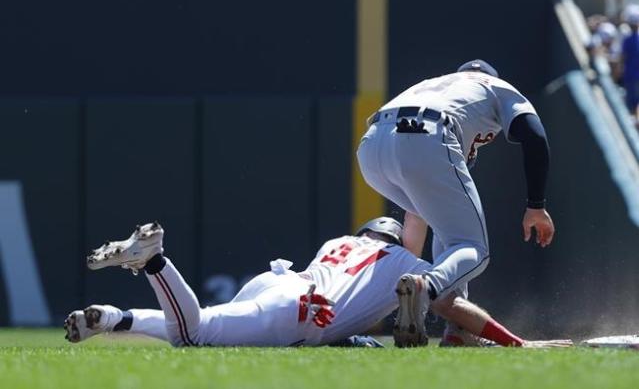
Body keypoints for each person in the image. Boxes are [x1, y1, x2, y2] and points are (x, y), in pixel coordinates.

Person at [64, 218, 569, 348]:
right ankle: (153, 262)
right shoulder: (399, 261)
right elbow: (454, 309)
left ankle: (112, 318)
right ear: (394, 239)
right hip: (299, 310)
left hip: (277, 284)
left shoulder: (338, 241)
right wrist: (511, 340)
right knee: (194, 334)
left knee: (198, 328)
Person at [357, 59, 555, 346]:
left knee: (450, 235)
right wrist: (536, 205)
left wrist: (405, 268)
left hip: (371, 147)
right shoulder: (496, 86)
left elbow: (418, 217)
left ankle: (457, 329)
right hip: (426, 131)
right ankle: (427, 286)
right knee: (473, 247)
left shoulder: (431, 84)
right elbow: (535, 137)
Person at [621, 5, 639, 120]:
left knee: (632, 103)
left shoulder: (626, 40)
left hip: (630, 76)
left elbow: (623, 57)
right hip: (632, 75)